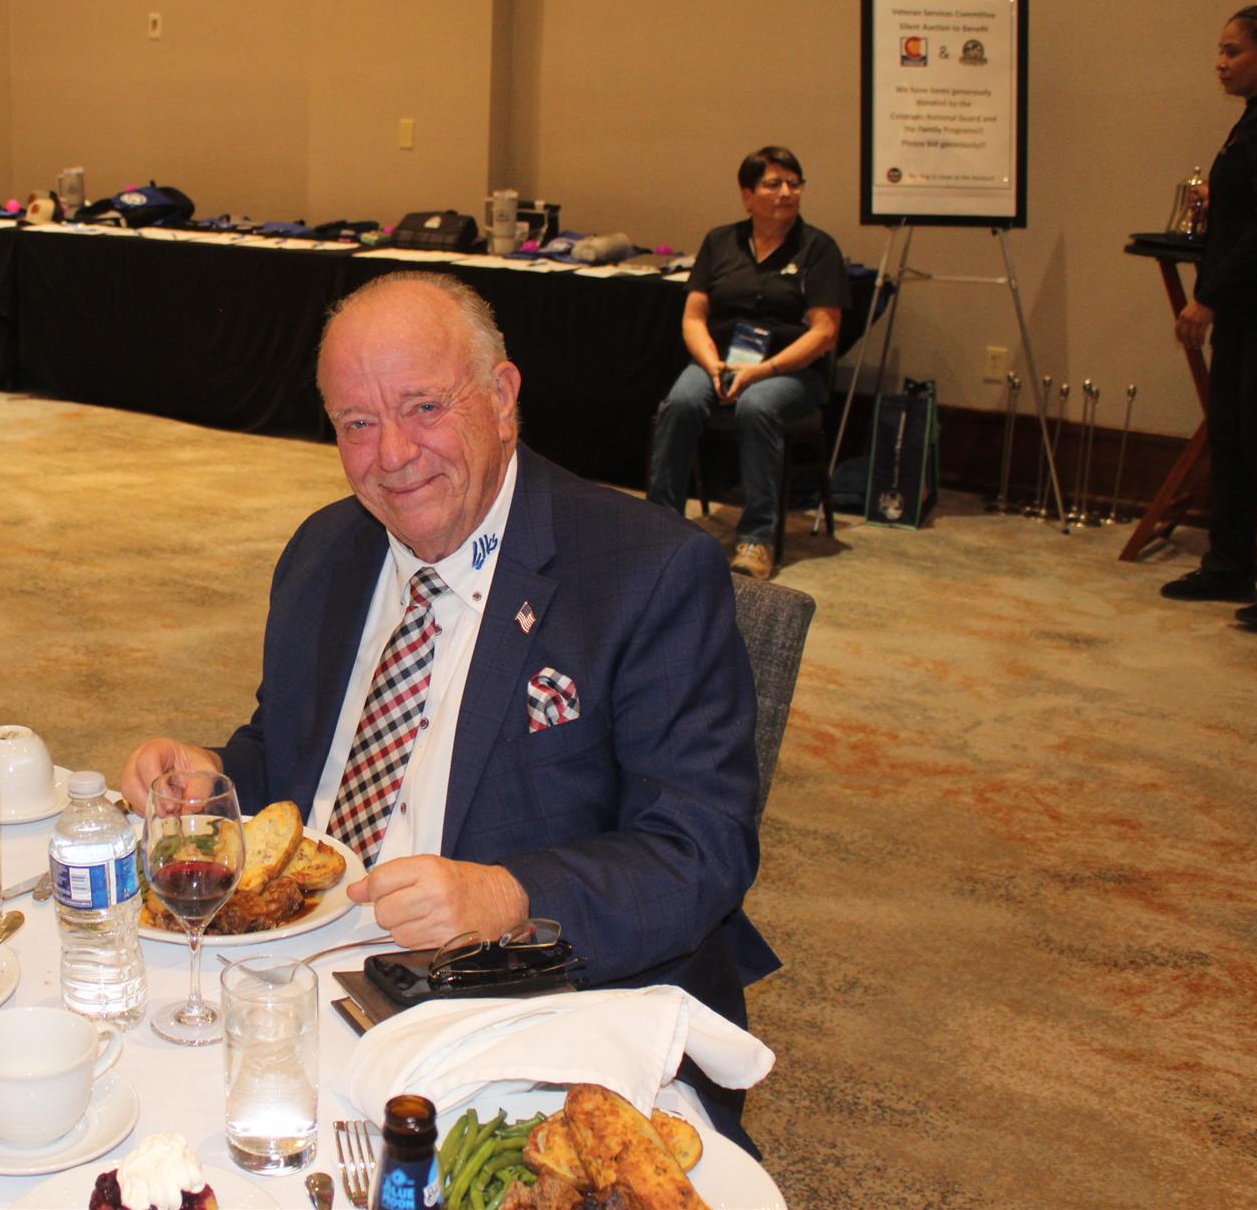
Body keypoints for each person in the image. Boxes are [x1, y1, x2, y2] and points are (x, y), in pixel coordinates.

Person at [120, 271, 774, 1144]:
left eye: (423, 407)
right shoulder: (324, 552)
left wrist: (509, 894)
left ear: (501, 399)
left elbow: (701, 848)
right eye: (357, 423)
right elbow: (288, 750)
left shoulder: (645, 573)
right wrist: (213, 777)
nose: (392, 454)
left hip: (530, 1011)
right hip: (303, 972)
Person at [645, 146, 849, 580]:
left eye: (794, 183)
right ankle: (660, 526)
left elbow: (825, 332)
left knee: (758, 406)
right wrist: (713, 365)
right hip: (719, 361)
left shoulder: (818, 248)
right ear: (747, 195)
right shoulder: (721, 242)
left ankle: (757, 537)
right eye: (774, 184)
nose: (786, 192)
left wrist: (762, 371)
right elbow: (694, 317)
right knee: (680, 403)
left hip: (791, 371)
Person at [1159, 4, 1257, 632]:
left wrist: (1209, 296)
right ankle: (1230, 562)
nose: (1220, 63)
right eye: (1220, 50)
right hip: (1244, 309)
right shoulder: (1255, 117)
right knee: (1231, 433)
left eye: (1234, 51)